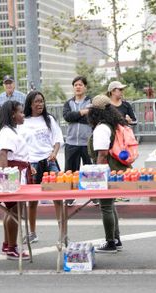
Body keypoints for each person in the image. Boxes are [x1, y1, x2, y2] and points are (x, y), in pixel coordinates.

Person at [19, 91, 64, 244]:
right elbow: (20, 145)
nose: (40, 104)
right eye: (37, 102)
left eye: (42, 101)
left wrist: (55, 152)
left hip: (50, 161)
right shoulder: (23, 121)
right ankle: (32, 233)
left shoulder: (49, 119)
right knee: (32, 200)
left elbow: (57, 139)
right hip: (33, 164)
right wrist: (26, 163)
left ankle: (62, 234)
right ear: (30, 104)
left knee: (58, 197)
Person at [87, 94, 129, 253]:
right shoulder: (112, 125)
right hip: (113, 170)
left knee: (106, 206)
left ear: (95, 112)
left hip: (105, 171)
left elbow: (102, 154)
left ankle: (110, 242)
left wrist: (97, 176)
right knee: (110, 205)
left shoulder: (101, 129)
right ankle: (116, 239)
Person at [0, 100, 32, 260]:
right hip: (13, 175)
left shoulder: (11, 131)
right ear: (13, 114)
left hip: (17, 173)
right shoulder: (6, 133)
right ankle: (12, 247)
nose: (23, 115)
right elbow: (2, 155)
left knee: (11, 212)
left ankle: (7, 243)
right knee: (15, 212)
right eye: (21, 112)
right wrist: (6, 180)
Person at [63, 76, 92, 206]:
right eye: (75, 85)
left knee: (91, 171)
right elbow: (67, 117)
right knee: (70, 171)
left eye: (80, 84)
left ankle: (94, 196)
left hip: (87, 143)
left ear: (85, 87)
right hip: (71, 143)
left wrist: (76, 116)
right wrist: (82, 112)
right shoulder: (68, 103)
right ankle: (69, 197)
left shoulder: (91, 102)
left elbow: (91, 118)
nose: (78, 87)